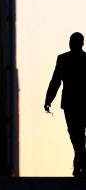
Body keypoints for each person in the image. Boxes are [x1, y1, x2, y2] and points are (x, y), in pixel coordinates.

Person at [44, 32, 86, 177]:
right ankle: (81, 159)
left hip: (71, 104)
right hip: (78, 104)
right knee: (77, 134)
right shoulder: (67, 59)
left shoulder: (63, 59)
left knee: (75, 133)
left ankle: (80, 161)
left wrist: (48, 100)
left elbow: (55, 81)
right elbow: (55, 81)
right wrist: (48, 100)